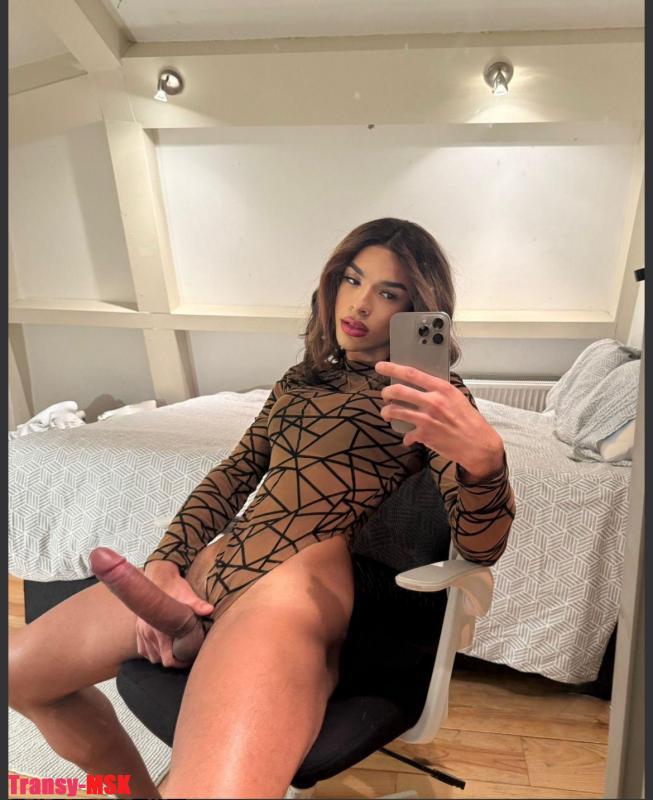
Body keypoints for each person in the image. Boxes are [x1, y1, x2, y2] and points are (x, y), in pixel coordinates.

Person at [9, 218, 516, 799]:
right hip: (211, 568)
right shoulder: (301, 381)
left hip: (292, 590)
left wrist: (486, 463)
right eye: (352, 280)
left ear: (419, 309)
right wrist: (165, 563)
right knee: (19, 676)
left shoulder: (430, 398)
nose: (359, 304)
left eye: (389, 292)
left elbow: (480, 547)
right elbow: (234, 475)